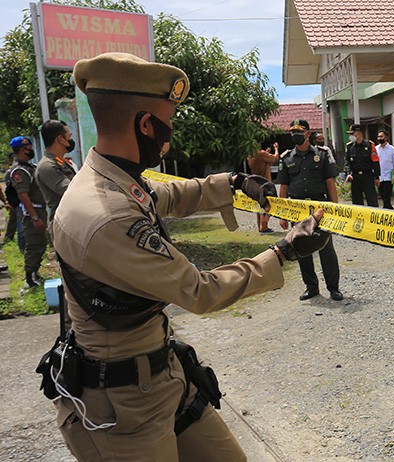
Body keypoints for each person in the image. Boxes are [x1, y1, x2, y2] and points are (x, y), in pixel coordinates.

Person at [48, 52, 328, 461]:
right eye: (168, 122)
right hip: (121, 408)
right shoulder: (105, 215)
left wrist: (233, 182)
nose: (170, 133)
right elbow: (200, 290)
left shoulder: (112, 180)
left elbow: (169, 195)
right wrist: (284, 251)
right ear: (146, 124)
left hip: (163, 378)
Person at [278, 119, 344, 301]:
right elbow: (283, 186)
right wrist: (281, 214)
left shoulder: (321, 155)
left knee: (326, 249)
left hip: (320, 208)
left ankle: (334, 288)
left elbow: (330, 183)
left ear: (308, 134)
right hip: (297, 210)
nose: (295, 135)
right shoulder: (286, 158)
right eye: (292, 132)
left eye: (299, 131)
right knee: (302, 249)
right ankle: (311, 287)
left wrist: (335, 208)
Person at [8, 135, 47, 287]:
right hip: (32, 211)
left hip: (38, 209)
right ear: (23, 150)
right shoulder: (19, 171)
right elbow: (23, 195)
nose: (31, 150)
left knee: (40, 242)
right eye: (29, 148)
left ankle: (35, 272)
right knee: (34, 243)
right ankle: (30, 277)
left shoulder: (29, 167)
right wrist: (35, 218)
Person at [35, 120, 78, 235]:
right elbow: (71, 191)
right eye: (69, 136)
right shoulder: (47, 166)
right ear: (60, 139)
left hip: (72, 222)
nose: (71, 140)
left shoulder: (61, 162)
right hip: (64, 227)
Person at [246, 141, 279, 234]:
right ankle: (264, 226)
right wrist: (276, 149)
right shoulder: (262, 154)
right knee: (269, 204)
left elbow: (263, 161)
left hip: (256, 182)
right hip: (265, 182)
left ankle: (260, 226)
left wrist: (266, 152)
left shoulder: (249, 156)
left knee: (259, 206)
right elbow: (274, 158)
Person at [344, 124, 380, 206]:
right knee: (357, 203)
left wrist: (377, 177)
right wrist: (348, 173)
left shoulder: (370, 145)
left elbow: (375, 161)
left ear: (358, 133)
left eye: (352, 134)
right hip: (355, 177)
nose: (350, 136)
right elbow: (347, 162)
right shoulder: (349, 147)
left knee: (372, 201)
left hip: (368, 177)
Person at [4, 150, 25, 253]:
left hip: (23, 202)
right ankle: (9, 238)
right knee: (16, 222)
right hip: (16, 202)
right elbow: (8, 190)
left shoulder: (23, 169)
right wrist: (7, 202)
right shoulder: (10, 172)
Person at [376, 130, 394, 210]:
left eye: (381, 136)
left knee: (387, 195)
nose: (379, 138)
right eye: (378, 136)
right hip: (379, 176)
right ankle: (389, 209)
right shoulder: (376, 149)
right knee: (382, 195)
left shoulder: (392, 150)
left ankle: (387, 209)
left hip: (388, 176)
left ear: (386, 137)